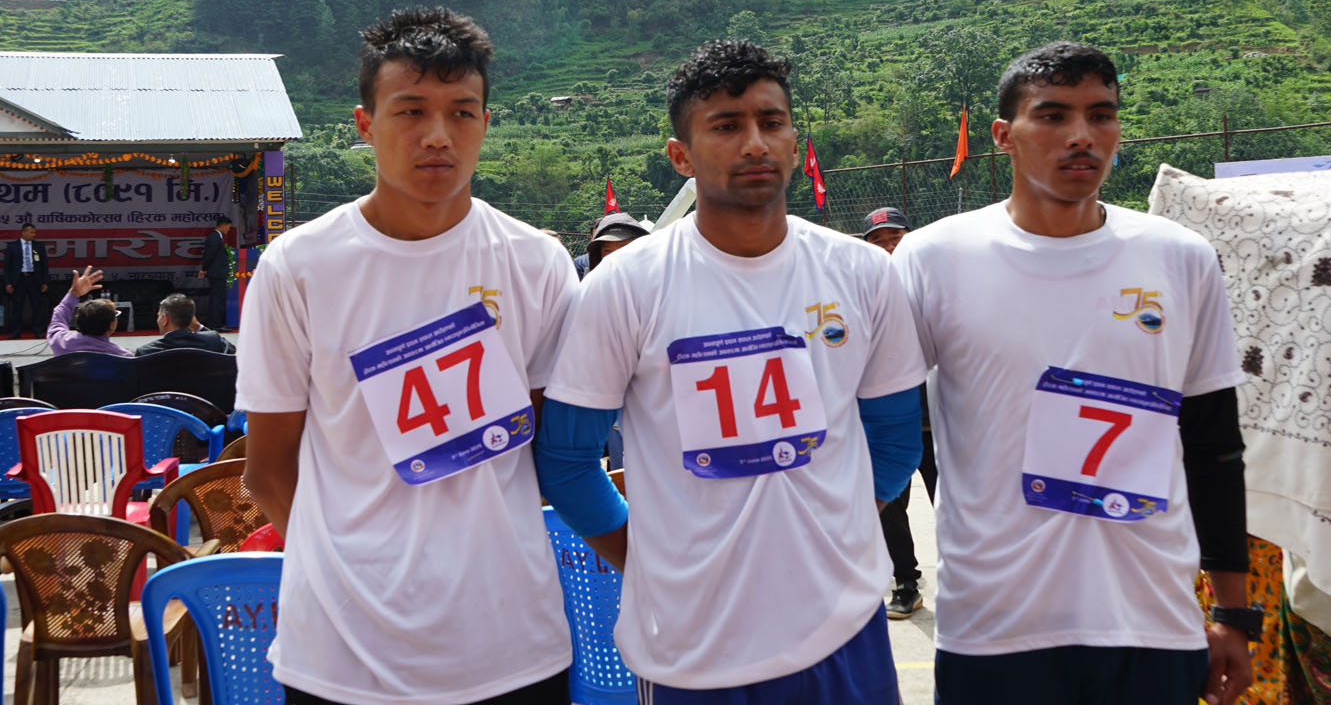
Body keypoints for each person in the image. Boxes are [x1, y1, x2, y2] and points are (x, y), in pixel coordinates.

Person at [535, 39, 926, 704]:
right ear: (680, 157)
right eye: (726, 126)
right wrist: (655, 567)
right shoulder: (625, 286)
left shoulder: (861, 272)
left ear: (794, 140)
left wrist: (836, 536)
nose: (755, 144)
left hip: (843, 632)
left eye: (772, 123)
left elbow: (894, 439)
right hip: (693, 649)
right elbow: (568, 462)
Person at [892, 42, 1255, 705]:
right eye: (1053, 115)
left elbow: (1214, 446)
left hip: (1151, 624)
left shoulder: (1180, 258)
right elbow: (879, 422)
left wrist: (1233, 610)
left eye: (1101, 115)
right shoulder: (932, 258)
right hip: (993, 630)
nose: (1082, 135)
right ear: (1004, 135)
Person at [235, 7, 575, 705]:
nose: (438, 135)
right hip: (343, 657)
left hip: (510, 646)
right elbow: (267, 470)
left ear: (486, 123)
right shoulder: (298, 267)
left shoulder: (537, 265)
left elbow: (545, 454)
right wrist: (347, 579)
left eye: (462, 113)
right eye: (411, 111)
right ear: (366, 124)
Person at [858, 205, 938, 621]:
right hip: (890, 427)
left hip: (938, 424)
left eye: (895, 237)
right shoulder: (863, 297)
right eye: (878, 240)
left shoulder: (933, 288)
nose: (888, 245)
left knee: (952, 509)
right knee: (890, 509)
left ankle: (965, 581)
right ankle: (906, 583)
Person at [47, 265, 131, 356]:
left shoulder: (61, 342)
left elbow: (58, 319)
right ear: (112, 325)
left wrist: (73, 293)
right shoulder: (124, 356)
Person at [135, 292, 235, 356]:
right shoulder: (214, 341)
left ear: (165, 319)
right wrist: (198, 326)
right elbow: (231, 349)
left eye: (159, 316)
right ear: (192, 319)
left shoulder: (146, 352)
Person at [1, 222, 49, 338]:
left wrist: (45, 282)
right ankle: (16, 331)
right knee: (17, 306)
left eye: (34, 232)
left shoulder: (39, 246)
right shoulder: (12, 246)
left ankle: (38, 330)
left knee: (37, 305)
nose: (34, 235)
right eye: (31, 232)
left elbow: (44, 265)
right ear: (23, 232)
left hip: (34, 279)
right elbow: (7, 267)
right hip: (19, 279)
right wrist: (7, 283)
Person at [197, 216, 234, 331]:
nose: (228, 229)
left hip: (217, 273)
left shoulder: (217, 237)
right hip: (217, 273)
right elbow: (209, 255)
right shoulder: (214, 237)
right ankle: (216, 324)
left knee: (217, 298)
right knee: (217, 299)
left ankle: (215, 323)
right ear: (223, 225)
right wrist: (204, 269)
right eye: (228, 227)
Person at [584, 211, 648, 272]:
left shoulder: (652, 277)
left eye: (623, 250)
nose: (615, 258)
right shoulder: (595, 279)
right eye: (608, 251)